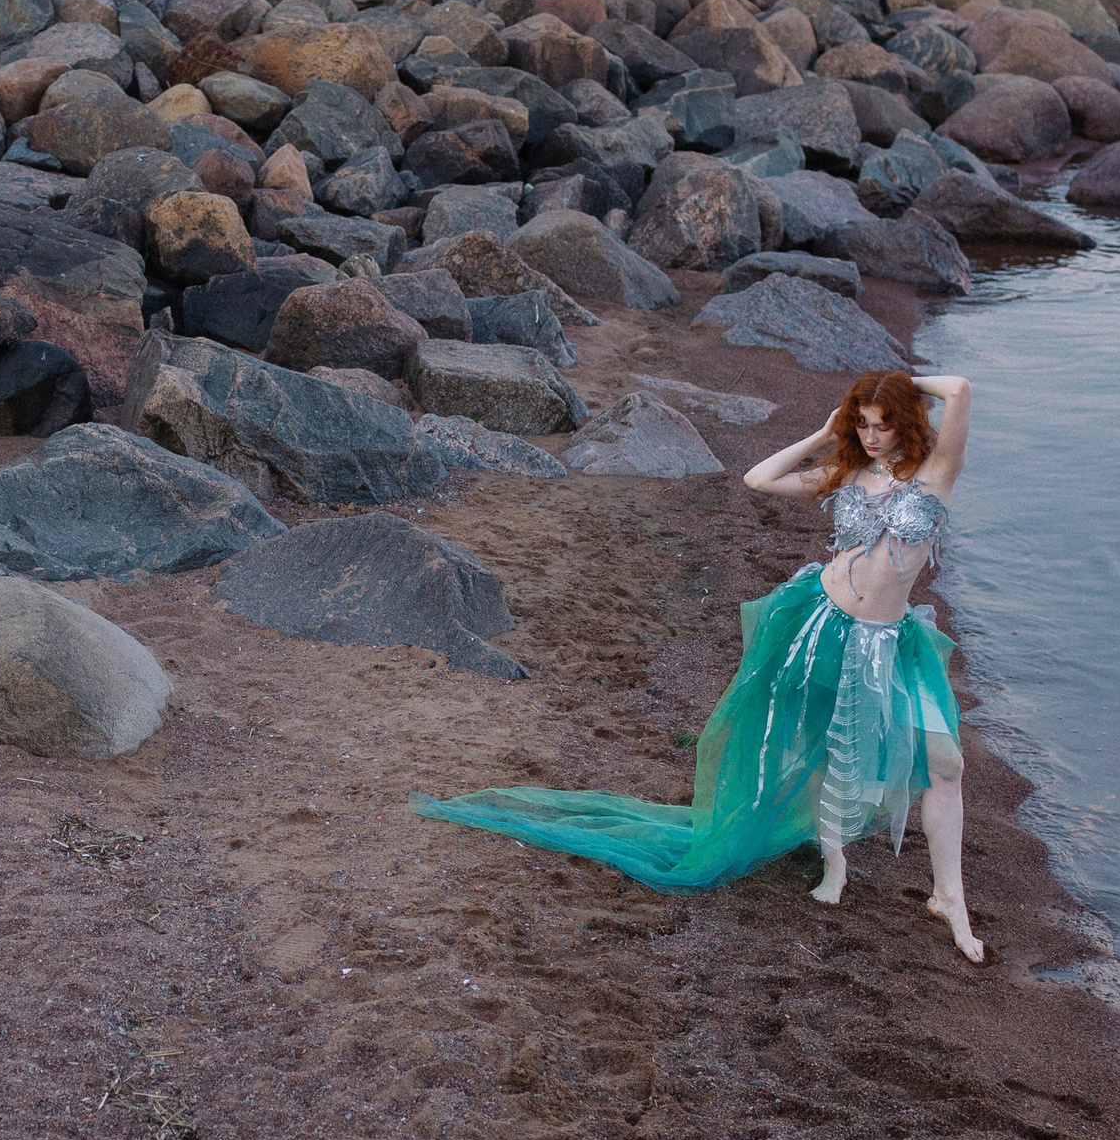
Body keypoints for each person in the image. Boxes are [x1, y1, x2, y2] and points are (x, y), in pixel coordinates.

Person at [414, 370, 984, 964]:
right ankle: (835, 862)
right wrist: (824, 432)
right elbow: (759, 479)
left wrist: (897, 380)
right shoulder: (849, 473)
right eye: (861, 424)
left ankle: (949, 896)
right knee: (817, 743)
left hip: (886, 642)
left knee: (946, 765)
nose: (869, 436)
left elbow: (960, 389)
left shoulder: (935, 476)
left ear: (906, 423)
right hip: (820, 624)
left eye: (881, 425)